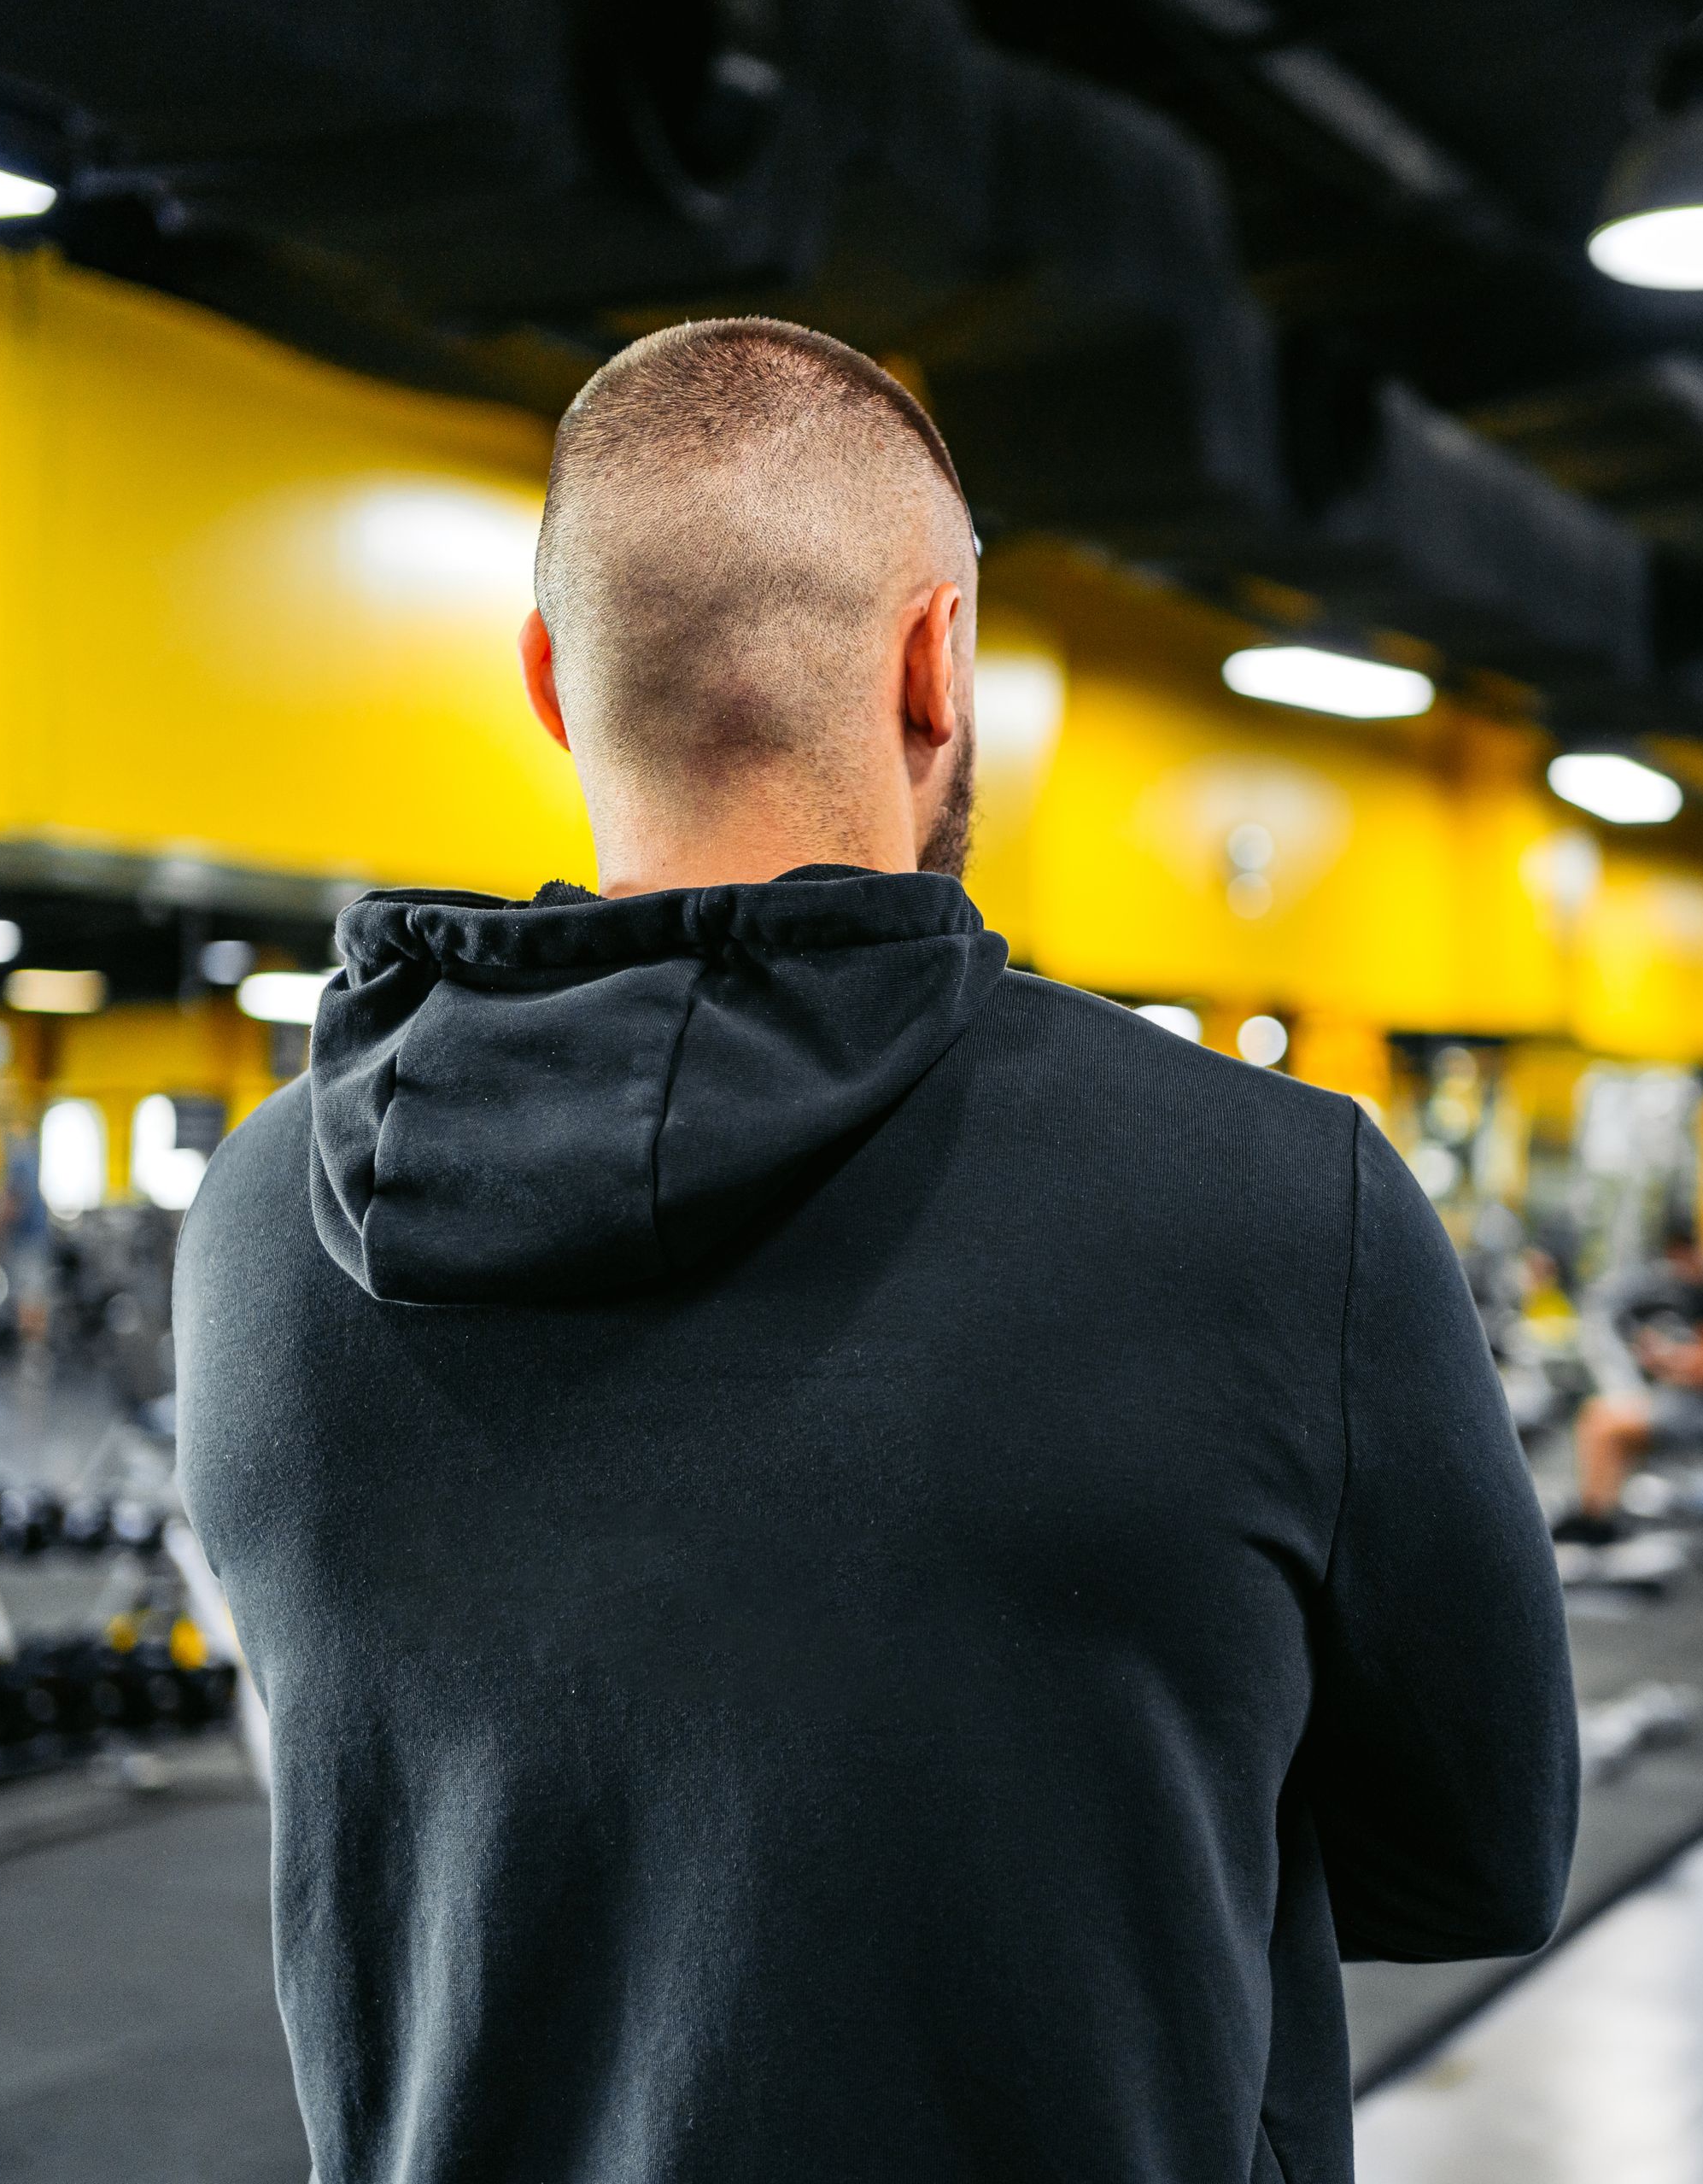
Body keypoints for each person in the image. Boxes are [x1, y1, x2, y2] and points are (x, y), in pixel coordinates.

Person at [175, 318, 1576, 2184]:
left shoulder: (263, 1229)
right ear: (940, 662)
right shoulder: (1275, 1196)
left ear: (548, 681)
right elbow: (1476, 1846)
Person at [1550, 1229, 1703, 1543]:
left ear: (1688, 1254)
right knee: (1608, 1424)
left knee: (1601, 1421)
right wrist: (1664, 1357)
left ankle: (1595, 1520)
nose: (1674, 1271)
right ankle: (1600, 1514)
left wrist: (1666, 1359)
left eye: (1676, 1261)